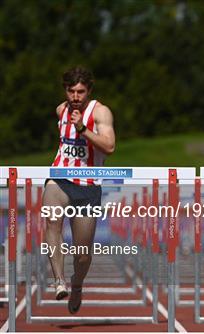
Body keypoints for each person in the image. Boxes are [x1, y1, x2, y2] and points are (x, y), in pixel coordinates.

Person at [43, 66, 115, 314]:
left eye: (80, 92)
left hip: (88, 185)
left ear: (89, 91)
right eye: (71, 91)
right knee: (51, 220)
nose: (75, 97)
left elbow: (110, 146)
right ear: (65, 90)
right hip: (60, 177)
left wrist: (83, 129)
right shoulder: (61, 110)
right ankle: (58, 280)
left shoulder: (101, 112)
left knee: (82, 254)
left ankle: (76, 283)